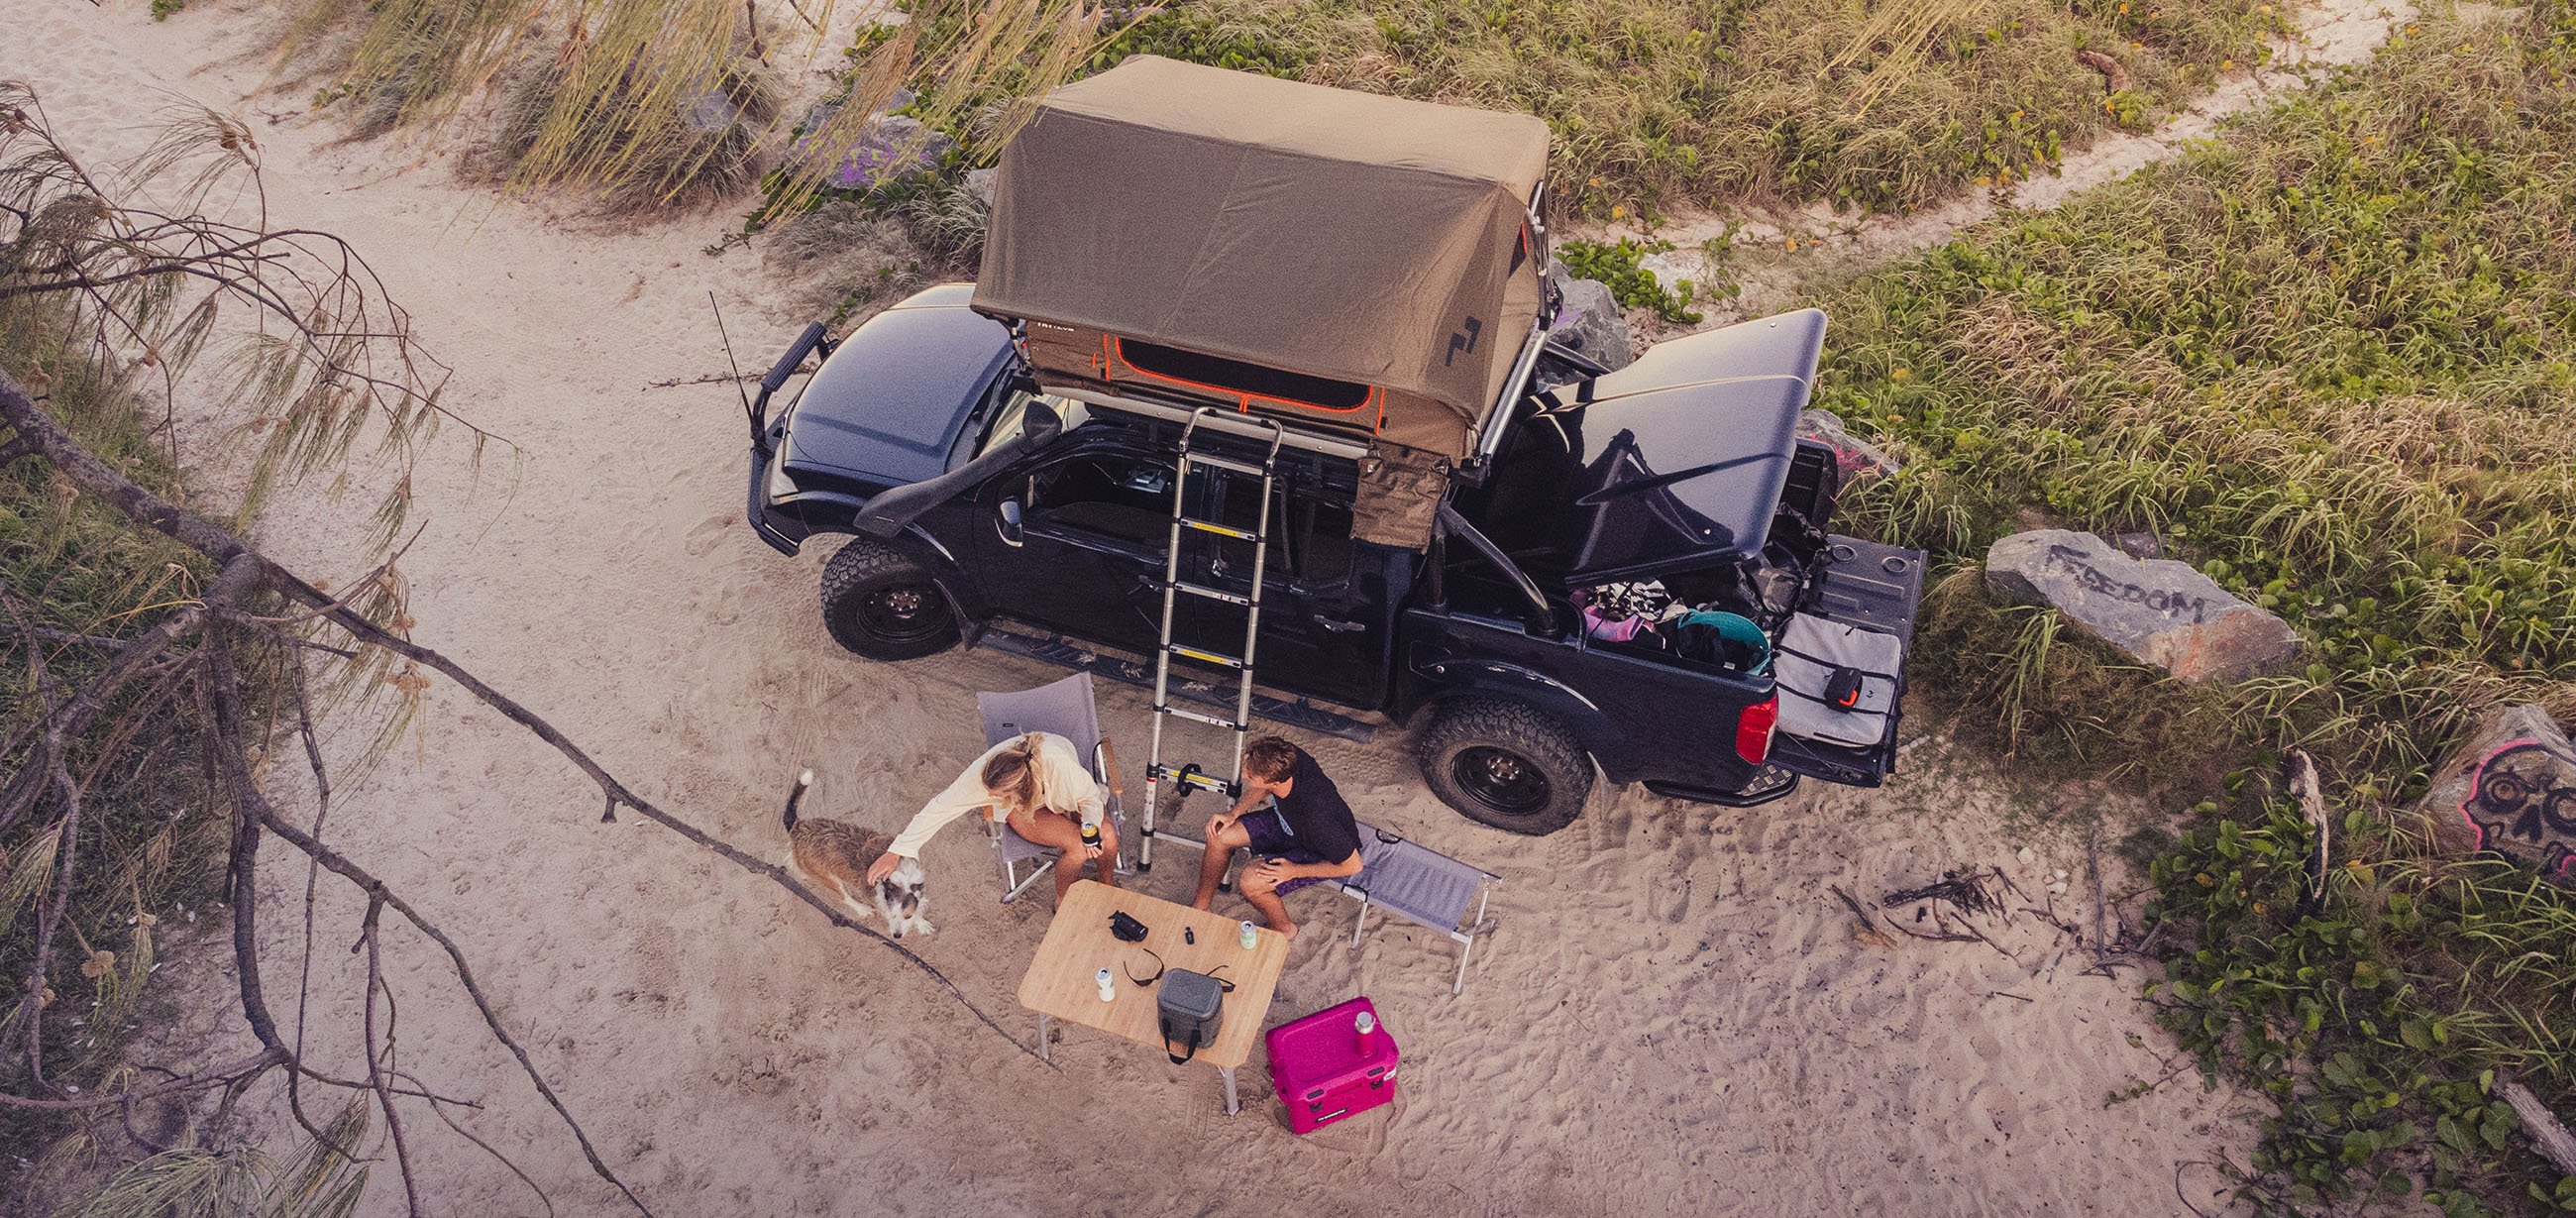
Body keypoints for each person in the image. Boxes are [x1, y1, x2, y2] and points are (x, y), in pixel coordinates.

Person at [868, 731, 1117, 903]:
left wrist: (1089, 827)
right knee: (1077, 848)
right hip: (1022, 810)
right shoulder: (981, 778)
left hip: (1060, 795)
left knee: (1107, 835)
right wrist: (896, 850)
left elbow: (1089, 798)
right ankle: (1062, 900)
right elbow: (939, 808)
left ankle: (1106, 881)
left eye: (993, 794)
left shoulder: (1060, 767)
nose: (986, 795)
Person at [1191, 735, 1362, 939]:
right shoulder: (1286, 756)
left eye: (1251, 775)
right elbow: (1262, 786)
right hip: (1287, 824)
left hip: (1315, 850)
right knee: (1220, 834)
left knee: (1251, 881)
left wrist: (1294, 871)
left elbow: (1353, 866)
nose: (1244, 775)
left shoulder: (1318, 820)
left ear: (1275, 781)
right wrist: (1234, 813)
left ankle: (1284, 928)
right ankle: (1200, 907)